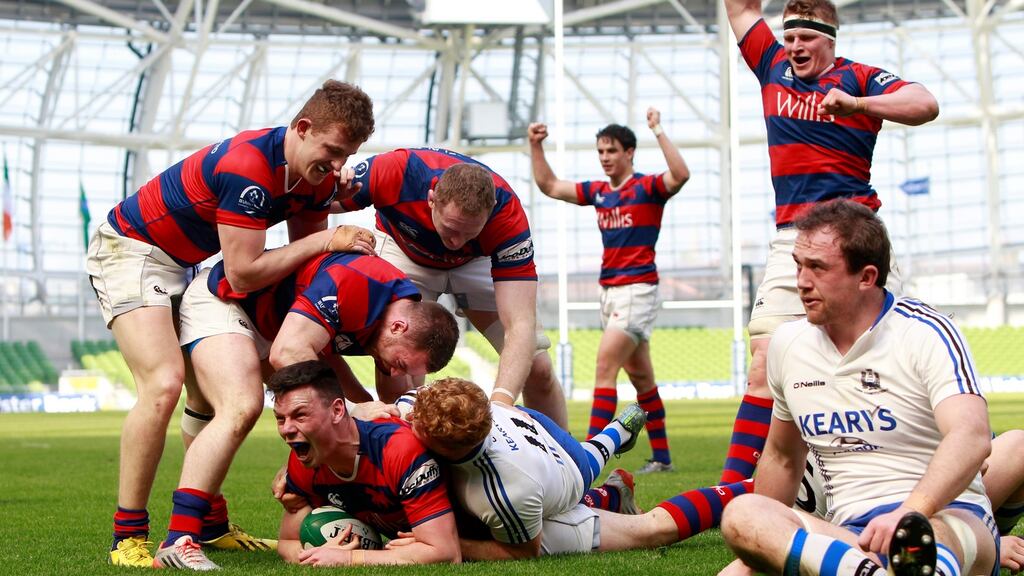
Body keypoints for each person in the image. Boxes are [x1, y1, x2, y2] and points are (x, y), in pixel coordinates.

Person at [85, 79, 377, 567]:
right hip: (132, 250)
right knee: (163, 385)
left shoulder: (317, 177)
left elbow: (301, 268)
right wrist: (328, 242)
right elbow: (245, 272)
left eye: (348, 155)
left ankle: (211, 525)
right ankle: (127, 537)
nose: (338, 166)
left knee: (204, 400)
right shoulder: (249, 167)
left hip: (187, 265)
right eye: (332, 150)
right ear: (303, 129)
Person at [717, 0, 940, 485]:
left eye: (806, 38)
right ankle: (732, 493)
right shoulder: (771, 63)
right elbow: (740, 8)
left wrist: (857, 105)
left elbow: (925, 104)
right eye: (790, 37)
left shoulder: (859, 78)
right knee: (763, 362)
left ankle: (927, 472)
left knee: (899, 357)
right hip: (793, 238)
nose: (794, 46)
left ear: (829, 40)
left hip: (855, 235)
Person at [717, 200, 997, 576]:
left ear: (866, 277)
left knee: (929, 536)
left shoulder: (926, 331)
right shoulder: (787, 344)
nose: (801, 281)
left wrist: (910, 510)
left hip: (947, 516)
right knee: (742, 515)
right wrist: (758, 547)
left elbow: (971, 435)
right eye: (798, 264)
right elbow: (783, 459)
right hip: (851, 536)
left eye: (817, 267)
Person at [148, 252, 459, 569]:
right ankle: (178, 541)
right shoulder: (357, 282)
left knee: (358, 410)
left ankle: (211, 527)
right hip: (229, 300)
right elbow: (287, 352)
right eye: (401, 364)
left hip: (280, 325)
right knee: (242, 406)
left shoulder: (402, 318)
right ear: (397, 326)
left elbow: (389, 414)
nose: (395, 373)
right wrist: (352, 411)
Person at [335, 148, 568, 427]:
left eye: (470, 232)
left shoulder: (507, 216)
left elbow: (520, 323)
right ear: (431, 200)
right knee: (400, 372)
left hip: (476, 262)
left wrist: (501, 403)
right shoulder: (396, 170)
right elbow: (314, 202)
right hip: (404, 251)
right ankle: (410, 464)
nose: (456, 241)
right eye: (451, 228)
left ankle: (565, 463)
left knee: (538, 369)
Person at [403, 377, 755, 559]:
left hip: (564, 467)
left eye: (415, 427)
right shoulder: (441, 404)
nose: (408, 425)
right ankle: (617, 448)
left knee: (647, 529)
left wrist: (448, 546)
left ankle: (757, 486)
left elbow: (521, 552)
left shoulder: (506, 491)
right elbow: (408, 402)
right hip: (526, 421)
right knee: (592, 453)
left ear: (448, 446)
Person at [528, 107, 690, 474]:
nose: (604, 158)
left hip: (637, 290)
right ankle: (662, 459)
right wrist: (535, 145)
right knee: (642, 379)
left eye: (611, 151)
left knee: (604, 367)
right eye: (600, 152)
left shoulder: (647, 187)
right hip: (610, 293)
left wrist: (658, 129)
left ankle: (589, 455)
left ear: (629, 152)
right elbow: (550, 186)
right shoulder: (601, 193)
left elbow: (680, 174)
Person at [270, 360, 461, 566]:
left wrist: (350, 557)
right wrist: (316, 555)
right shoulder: (306, 457)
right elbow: (288, 541)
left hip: (484, 526)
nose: (287, 429)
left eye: (300, 415)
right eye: (281, 419)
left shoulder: (398, 450)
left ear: (337, 410)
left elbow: (446, 553)